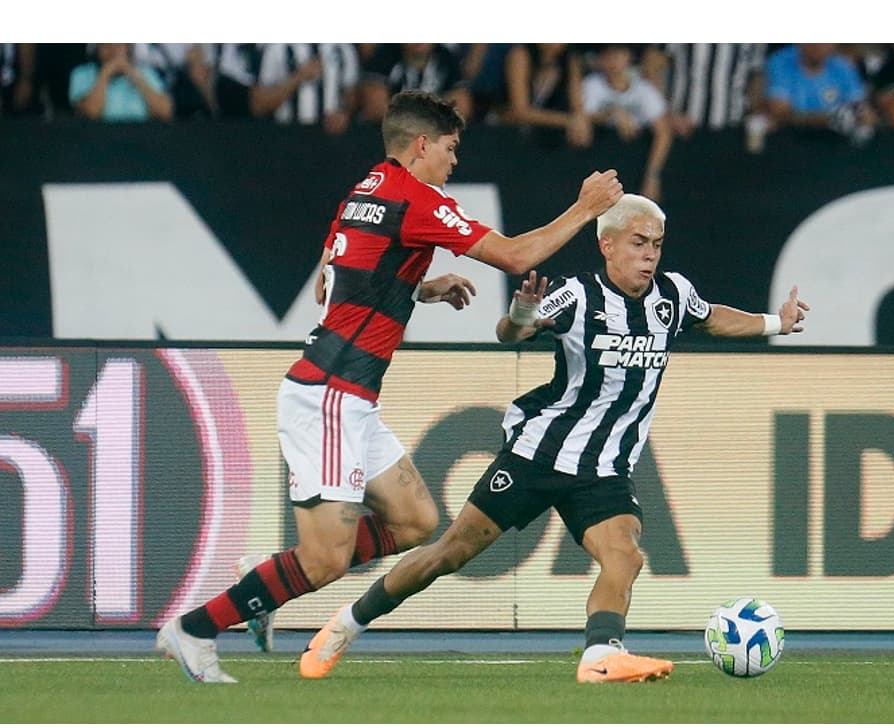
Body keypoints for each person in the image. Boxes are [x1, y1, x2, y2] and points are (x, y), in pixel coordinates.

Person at [155, 90, 624, 683]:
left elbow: (334, 278)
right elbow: (514, 256)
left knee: (415, 521)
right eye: (450, 148)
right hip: (328, 394)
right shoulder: (417, 199)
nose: (454, 160)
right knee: (324, 560)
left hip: (348, 398)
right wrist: (584, 208)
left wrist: (417, 287)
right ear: (422, 145)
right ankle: (195, 629)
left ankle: (267, 578)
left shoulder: (366, 190)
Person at [298, 193, 809, 684]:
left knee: (625, 556)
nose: (650, 255)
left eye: (656, 244)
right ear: (607, 244)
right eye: (638, 243)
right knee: (450, 552)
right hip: (538, 455)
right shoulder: (577, 294)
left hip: (604, 469)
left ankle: (600, 657)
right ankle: (347, 623)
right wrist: (522, 315)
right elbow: (511, 332)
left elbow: (711, 317)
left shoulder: (672, 295)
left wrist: (776, 323)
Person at [581, 43, 674, 202]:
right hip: (596, 169)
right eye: (607, 55)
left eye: (618, 55)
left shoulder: (644, 90)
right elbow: (583, 117)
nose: (613, 61)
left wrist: (652, 176)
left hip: (634, 171)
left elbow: (663, 131)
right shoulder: (591, 85)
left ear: (628, 57)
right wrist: (613, 113)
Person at [764, 43, 877, 145]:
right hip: (790, 140)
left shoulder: (843, 66)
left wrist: (863, 117)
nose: (817, 45)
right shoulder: (780, 62)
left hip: (834, 142)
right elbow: (778, 112)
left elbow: (862, 108)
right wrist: (828, 119)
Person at [503, 43, 592, 149]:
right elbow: (519, 111)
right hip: (506, 132)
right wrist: (568, 121)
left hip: (546, 139)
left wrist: (580, 122)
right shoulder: (520, 55)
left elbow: (577, 106)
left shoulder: (570, 61)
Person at [68, 43, 172, 122]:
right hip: (97, 138)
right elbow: (91, 112)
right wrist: (105, 73)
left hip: (141, 138)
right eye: (106, 45)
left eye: (119, 45)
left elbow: (164, 112)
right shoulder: (82, 74)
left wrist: (134, 75)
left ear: (128, 47)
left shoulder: (147, 73)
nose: (113, 50)